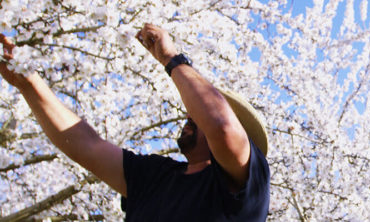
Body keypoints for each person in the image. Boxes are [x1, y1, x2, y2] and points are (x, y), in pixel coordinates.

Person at [0, 23, 270, 221]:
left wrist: (172, 59)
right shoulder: (156, 175)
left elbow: (221, 126)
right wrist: (28, 83)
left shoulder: (246, 184)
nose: (190, 115)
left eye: (198, 114)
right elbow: (87, 145)